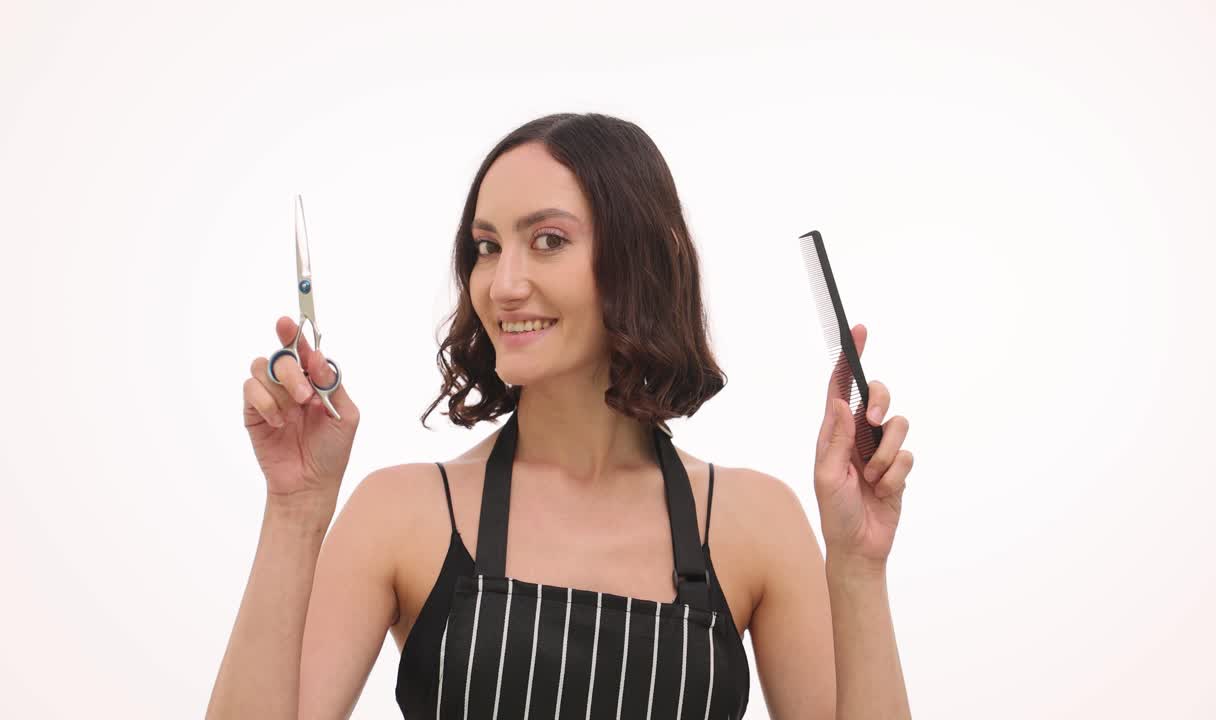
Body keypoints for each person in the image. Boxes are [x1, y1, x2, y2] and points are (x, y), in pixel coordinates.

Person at [207, 113, 915, 720]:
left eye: (547, 240)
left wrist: (858, 567)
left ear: (640, 260)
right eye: (487, 248)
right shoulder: (402, 515)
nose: (504, 285)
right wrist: (295, 510)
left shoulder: (756, 523)